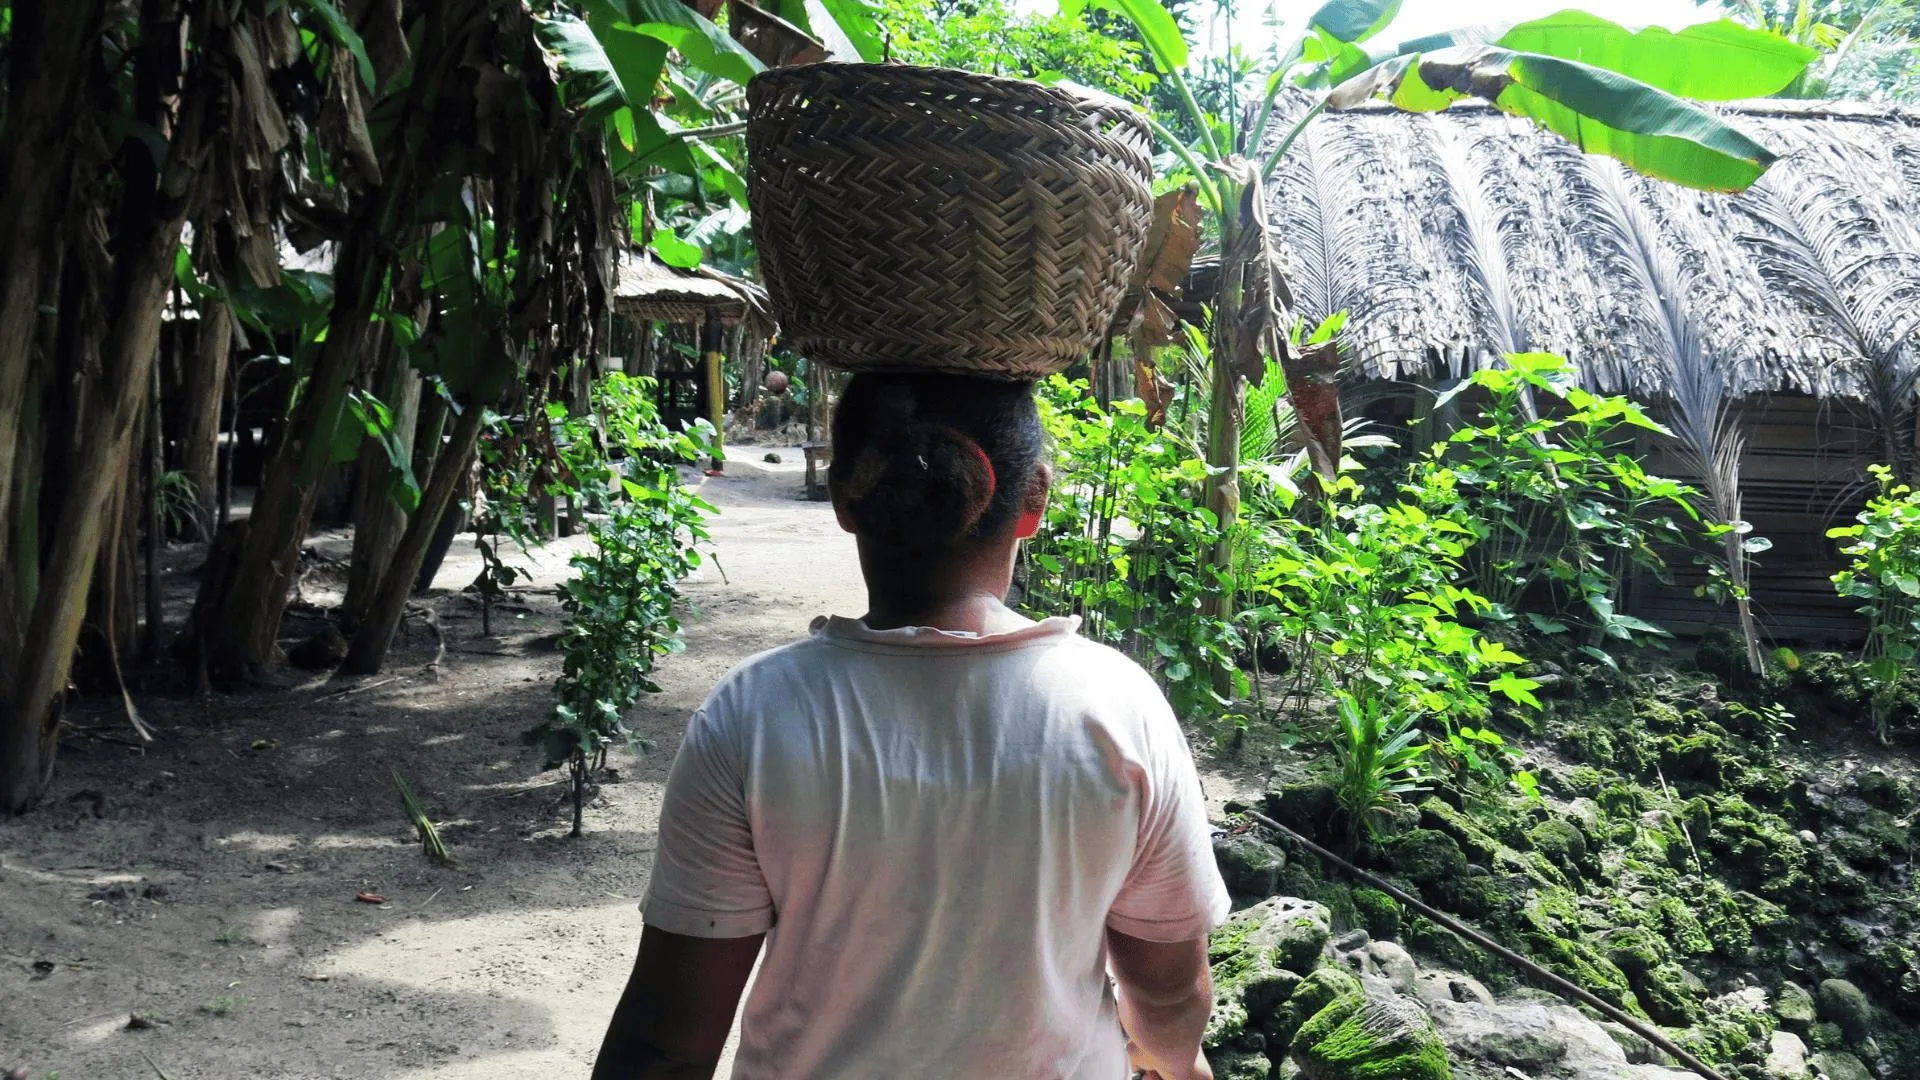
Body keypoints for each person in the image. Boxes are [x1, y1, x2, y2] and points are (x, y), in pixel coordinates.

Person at [593, 372, 1229, 1079]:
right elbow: (1168, 988)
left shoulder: (755, 713)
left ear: (845, 501)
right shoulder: (1119, 707)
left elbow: (666, 1042)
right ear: (1035, 500)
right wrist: (1178, 1062)